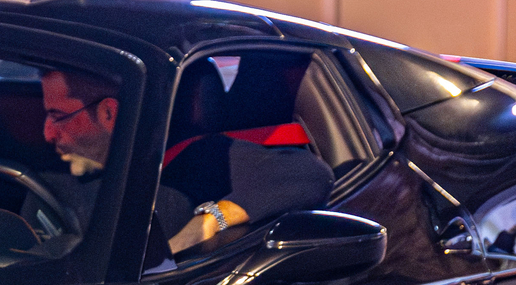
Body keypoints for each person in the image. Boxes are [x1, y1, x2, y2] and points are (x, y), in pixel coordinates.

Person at [39, 66, 332, 259]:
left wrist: (209, 221)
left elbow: (308, 173)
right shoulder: (43, 184)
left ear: (108, 115)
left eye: (57, 116)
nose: (47, 133)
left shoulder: (191, 162)